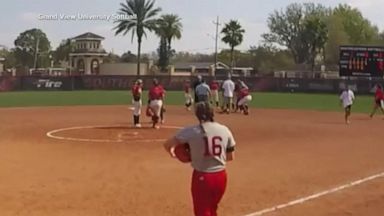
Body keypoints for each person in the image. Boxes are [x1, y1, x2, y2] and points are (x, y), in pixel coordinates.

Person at [163, 101, 236, 216]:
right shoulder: (225, 129)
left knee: (202, 211)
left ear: (197, 115)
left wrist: (176, 153)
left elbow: (168, 144)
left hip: (203, 178)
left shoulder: (192, 131)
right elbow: (230, 157)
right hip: (221, 176)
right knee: (212, 209)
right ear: (212, 113)